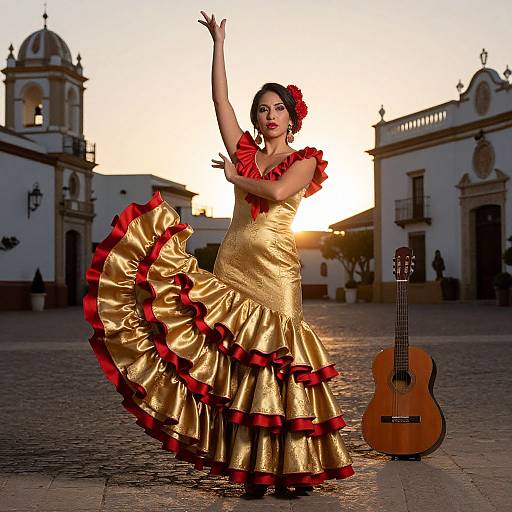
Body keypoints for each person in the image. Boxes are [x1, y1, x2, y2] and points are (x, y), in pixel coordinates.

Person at [83, 10, 353, 499]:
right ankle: (250, 469)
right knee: (238, 368)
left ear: (292, 117)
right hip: (232, 265)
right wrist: (218, 44)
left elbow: (273, 195)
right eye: (262, 110)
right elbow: (220, 101)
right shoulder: (245, 150)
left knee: (277, 363)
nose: (268, 116)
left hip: (275, 272)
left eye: (276, 109)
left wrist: (234, 179)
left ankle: (288, 470)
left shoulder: (306, 159)